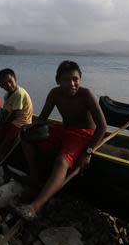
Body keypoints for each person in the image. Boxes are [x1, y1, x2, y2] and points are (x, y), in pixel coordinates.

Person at [17, 60, 107, 219]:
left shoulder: (86, 94)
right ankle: (35, 177)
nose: (72, 84)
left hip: (83, 134)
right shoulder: (54, 93)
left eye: (75, 79)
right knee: (26, 138)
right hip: (64, 130)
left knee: (61, 161)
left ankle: (35, 207)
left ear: (80, 79)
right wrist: (27, 128)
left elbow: (102, 127)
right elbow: (42, 119)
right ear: (58, 80)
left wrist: (88, 151)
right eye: (66, 79)